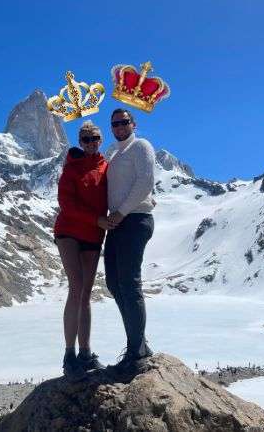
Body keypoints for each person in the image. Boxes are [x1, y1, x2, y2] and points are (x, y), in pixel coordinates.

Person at [53, 120, 110, 379]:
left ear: (101, 139)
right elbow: (66, 203)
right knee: (76, 287)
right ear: (80, 142)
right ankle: (69, 355)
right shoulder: (71, 168)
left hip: (93, 234)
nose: (91, 143)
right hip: (69, 231)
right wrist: (96, 220)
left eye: (95, 138)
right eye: (86, 139)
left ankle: (85, 352)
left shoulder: (106, 166)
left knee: (85, 293)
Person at [103, 108, 157, 373]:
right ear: (111, 127)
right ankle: (138, 343)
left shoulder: (141, 146)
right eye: (115, 123)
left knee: (129, 282)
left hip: (134, 219)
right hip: (116, 224)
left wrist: (121, 213)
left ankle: (136, 351)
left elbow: (146, 181)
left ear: (133, 124)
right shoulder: (112, 153)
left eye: (124, 122)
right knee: (114, 282)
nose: (120, 126)